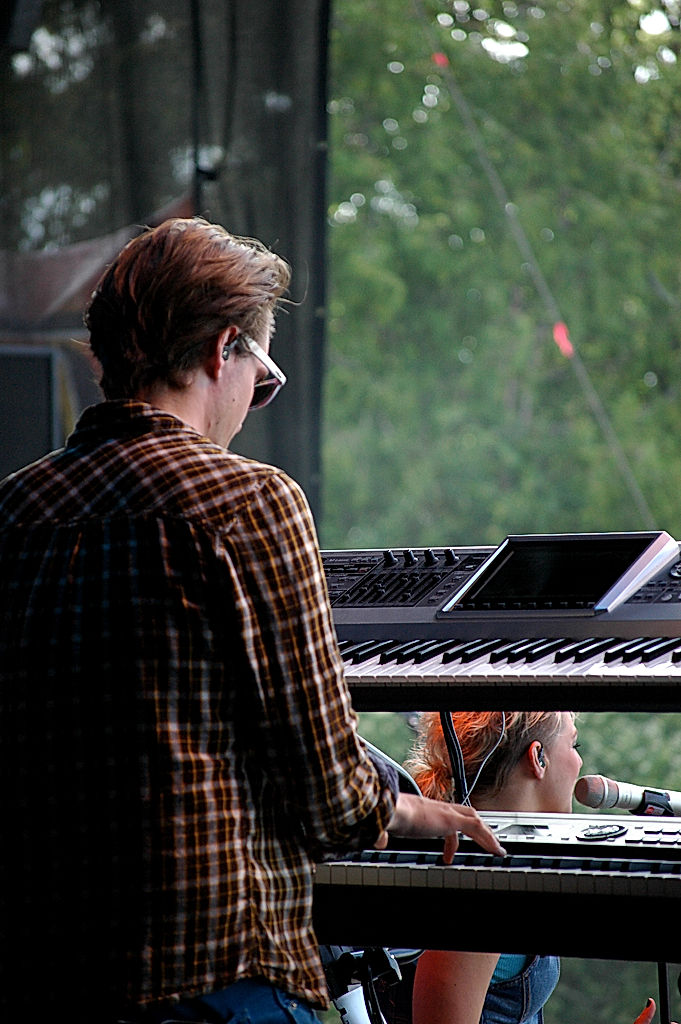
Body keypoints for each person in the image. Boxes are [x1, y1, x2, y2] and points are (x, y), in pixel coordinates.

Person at [0, 216, 504, 1024]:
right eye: (260, 378)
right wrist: (416, 809)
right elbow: (330, 800)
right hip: (216, 976)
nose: (251, 407)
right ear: (220, 350)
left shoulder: (14, 510)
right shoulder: (249, 502)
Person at [380, 712, 665, 1024]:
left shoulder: (499, 868)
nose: (580, 764)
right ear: (537, 758)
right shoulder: (482, 888)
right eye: (574, 745)